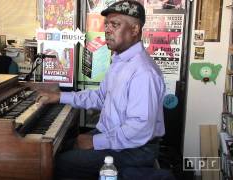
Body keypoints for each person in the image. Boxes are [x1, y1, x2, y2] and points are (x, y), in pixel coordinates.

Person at [37, 0, 165, 179]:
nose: (107, 30)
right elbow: (99, 97)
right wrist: (59, 97)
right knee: (55, 147)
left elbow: (139, 128)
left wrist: (95, 141)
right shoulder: (119, 61)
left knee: (58, 163)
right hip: (112, 136)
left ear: (135, 30)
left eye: (115, 24)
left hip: (135, 149)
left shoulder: (143, 72)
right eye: (106, 25)